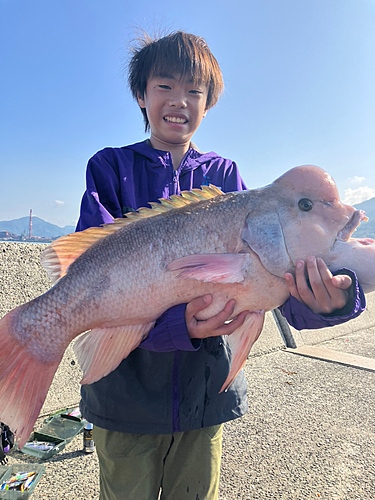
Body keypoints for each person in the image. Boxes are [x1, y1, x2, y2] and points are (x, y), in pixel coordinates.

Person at [76, 31, 365, 500]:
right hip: (123, 396)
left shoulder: (227, 178)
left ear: (208, 104)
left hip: (204, 398)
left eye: (195, 91)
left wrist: (330, 302)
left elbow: (270, 280)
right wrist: (177, 328)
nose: (179, 101)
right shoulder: (109, 167)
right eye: (165, 86)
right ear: (140, 95)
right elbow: (94, 275)